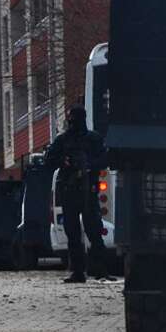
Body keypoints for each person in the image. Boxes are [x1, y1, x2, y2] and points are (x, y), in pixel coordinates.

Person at [44, 107, 105, 284]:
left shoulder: (93, 139)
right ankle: (78, 271)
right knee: (72, 232)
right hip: (70, 190)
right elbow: (49, 160)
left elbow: (104, 159)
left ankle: (99, 269)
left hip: (88, 189)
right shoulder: (62, 140)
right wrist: (64, 162)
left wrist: (89, 165)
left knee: (94, 230)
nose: (73, 124)